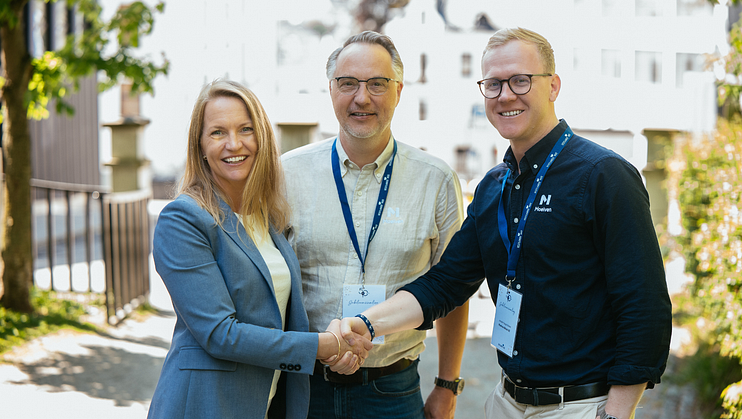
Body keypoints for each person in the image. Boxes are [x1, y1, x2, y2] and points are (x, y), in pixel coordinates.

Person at [340, 27, 672, 419]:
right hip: (506, 401)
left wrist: (617, 414)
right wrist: (365, 323)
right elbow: (446, 283)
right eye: (493, 84)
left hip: (581, 406)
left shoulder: (604, 175)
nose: (506, 95)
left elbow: (644, 305)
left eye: (520, 80)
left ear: (553, 86)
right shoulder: (494, 186)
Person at [147, 79, 371, 419]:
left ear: (261, 137)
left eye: (245, 129)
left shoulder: (266, 218)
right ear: (200, 145)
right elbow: (220, 333)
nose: (234, 144)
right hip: (205, 405)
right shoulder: (183, 218)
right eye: (218, 133)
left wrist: (338, 334)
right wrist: (320, 346)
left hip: (266, 404)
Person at [281, 31, 469, 419]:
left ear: (399, 90)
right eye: (347, 83)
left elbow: (453, 290)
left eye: (377, 84)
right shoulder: (286, 175)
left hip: (393, 390)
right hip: (303, 387)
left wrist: (447, 386)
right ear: (331, 90)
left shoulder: (436, 180)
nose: (361, 98)